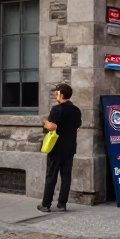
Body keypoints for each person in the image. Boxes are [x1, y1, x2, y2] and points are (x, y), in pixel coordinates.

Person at [37, 82, 82, 212]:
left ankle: (46, 204)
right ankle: (62, 203)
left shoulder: (57, 109)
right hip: (70, 147)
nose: (56, 95)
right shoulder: (76, 110)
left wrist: (45, 121)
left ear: (61, 94)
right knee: (66, 176)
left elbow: (51, 126)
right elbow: (78, 125)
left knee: (51, 175)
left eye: (57, 93)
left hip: (56, 147)